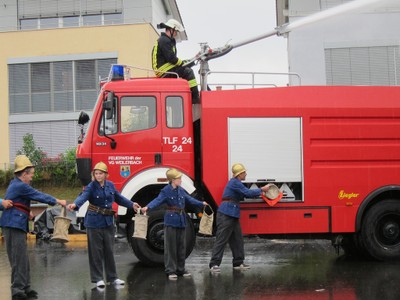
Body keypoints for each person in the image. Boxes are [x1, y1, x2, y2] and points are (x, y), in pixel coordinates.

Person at [1, 155, 67, 300]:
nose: (31, 177)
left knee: (23, 258)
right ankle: (18, 291)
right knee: (18, 259)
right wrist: (58, 201)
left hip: (16, 224)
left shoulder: (18, 185)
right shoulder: (21, 185)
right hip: (12, 225)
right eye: (30, 174)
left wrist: (27, 211)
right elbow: (39, 195)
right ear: (24, 174)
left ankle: (25, 287)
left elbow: (20, 201)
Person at [67, 162, 140, 289]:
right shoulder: (91, 186)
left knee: (109, 250)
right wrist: (75, 205)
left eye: (101, 173)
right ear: (93, 175)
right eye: (96, 173)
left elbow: (119, 198)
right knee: (96, 252)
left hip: (108, 221)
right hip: (94, 221)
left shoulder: (110, 185)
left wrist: (131, 204)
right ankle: (98, 278)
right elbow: (83, 197)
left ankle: (113, 277)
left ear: (106, 174)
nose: (98, 176)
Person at [141, 168, 207, 280]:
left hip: (181, 220)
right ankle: (170, 270)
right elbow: (157, 200)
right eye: (178, 178)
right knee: (171, 247)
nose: (180, 180)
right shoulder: (165, 191)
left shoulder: (180, 190)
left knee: (181, 247)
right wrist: (147, 207)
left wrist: (201, 203)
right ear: (172, 180)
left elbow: (189, 199)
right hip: (171, 221)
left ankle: (181, 269)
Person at [209, 163, 271, 272]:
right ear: (239, 174)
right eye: (244, 172)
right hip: (226, 214)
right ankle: (214, 264)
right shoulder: (235, 183)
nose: (246, 174)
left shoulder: (236, 183)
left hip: (232, 213)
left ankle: (238, 263)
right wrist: (262, 190)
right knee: (221, 239)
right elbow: (247, 193)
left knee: (237, 240)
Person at [152, 19, 200, 103]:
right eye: (176, 31)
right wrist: (184, 64)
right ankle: (195, 99)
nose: (176, 33)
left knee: (184, 66)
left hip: (166, 68)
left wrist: (193, 59)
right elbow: (172, 58)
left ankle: (194, 96)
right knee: (188, 72)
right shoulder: (164, 40)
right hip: (163, 71)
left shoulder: (166, 40)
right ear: (171, 29)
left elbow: (174, 60)